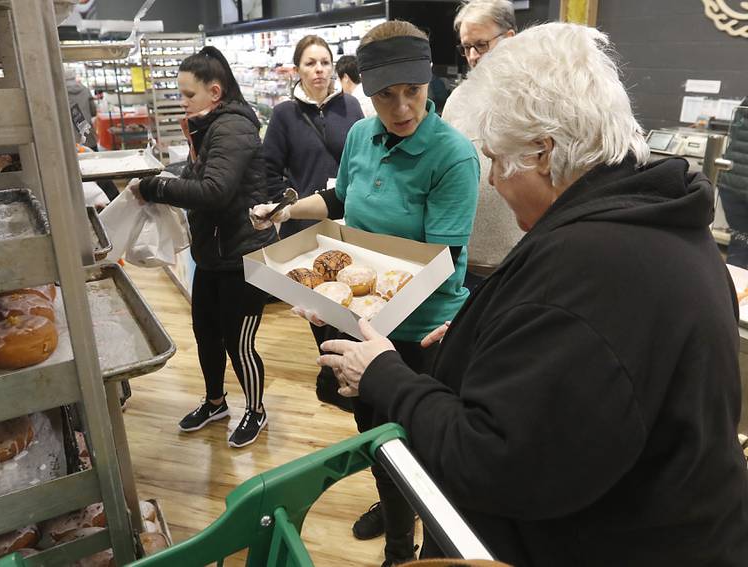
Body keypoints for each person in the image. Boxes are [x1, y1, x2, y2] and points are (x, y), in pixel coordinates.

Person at [315, 22, 748, 566]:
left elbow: (490, 462)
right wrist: (490, 328)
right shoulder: (658, 222)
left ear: (544, 152)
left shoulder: (588, 270)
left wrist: (384, 374)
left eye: (498, 160)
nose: (492, 180)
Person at [252, 21, 480, 566]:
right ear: (366, 90)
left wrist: (340, 300)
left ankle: (429, 549)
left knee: (425, 449)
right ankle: (397, 540)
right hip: (366, 326)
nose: (402, 108)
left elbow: (442, 267)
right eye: (385, 95)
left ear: (429, 84)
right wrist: (284, 212)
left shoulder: (452, 156)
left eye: (413, 92)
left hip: (424, 337)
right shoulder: (360, 135)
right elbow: (339, 204)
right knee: (377, 439)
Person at [130, 46, 278, 448]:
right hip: (215, 253)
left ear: (214, 92)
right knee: (206, 333)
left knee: (238, 341)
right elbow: (203, 175)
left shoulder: (232, 128)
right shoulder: (210, 125)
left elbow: (214, 191)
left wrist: (157, 186)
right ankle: (216, 402)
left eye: (188, 94)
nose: (183, 101)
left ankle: (256, 411)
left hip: (244, 258)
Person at [262, 35, 365, 412]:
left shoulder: (351, 106)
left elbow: (365, 157)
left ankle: (350, 372)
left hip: (348, 221)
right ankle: (330, 369)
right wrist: (290, 199)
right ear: (298, 69)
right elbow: (269, 168)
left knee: (353, 300)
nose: (319, 69)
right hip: (305, 227)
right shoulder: (284, 115)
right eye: (310, 63)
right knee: (317, 309)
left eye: (324, 61)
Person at [442, 0, 522, 288]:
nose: (473, 56)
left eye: (481, 45)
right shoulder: (457, 101)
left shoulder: (535, 98)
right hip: (464, 260)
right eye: (466, 47)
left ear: (510, 39)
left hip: (521, 260)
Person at [717, 97, 748, 267]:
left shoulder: (744, 103)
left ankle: (733, 288)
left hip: (731, 183)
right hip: (738, 184)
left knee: (740, 240)